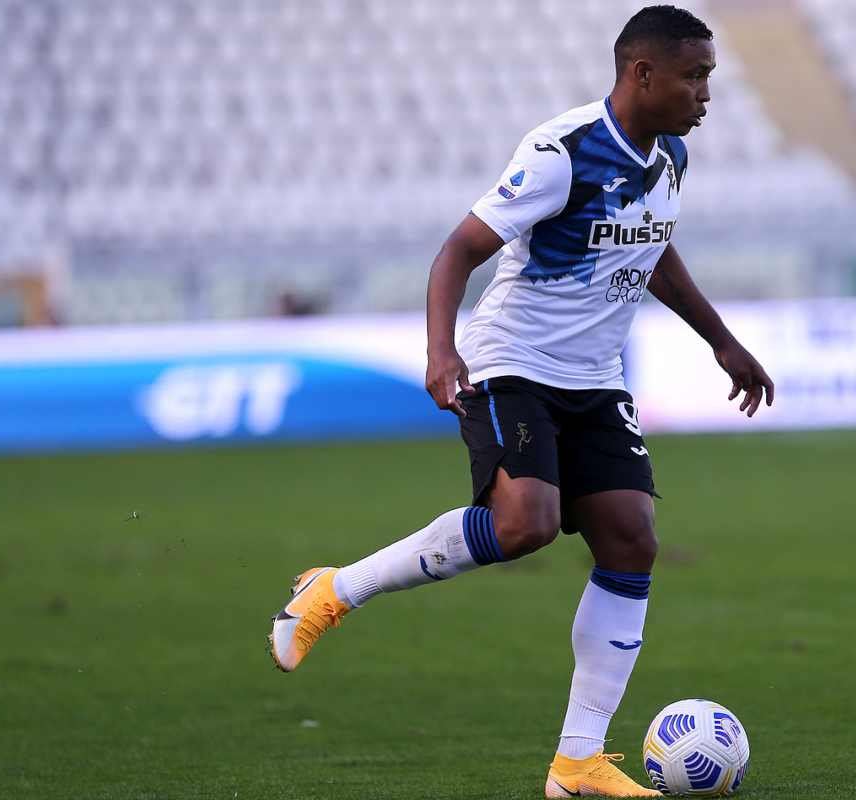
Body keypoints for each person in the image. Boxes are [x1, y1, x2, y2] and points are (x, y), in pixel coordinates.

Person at [268, 5, 773, 796]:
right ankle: (335, 590)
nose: (707, 94)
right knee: (526, 523)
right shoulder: (561, 152)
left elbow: (653, 248)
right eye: (695, 76)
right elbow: (458, 251)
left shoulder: (671, 156)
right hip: (513, 363)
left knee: (631, 539)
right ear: (643, 73)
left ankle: (577, 763)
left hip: (595, 376)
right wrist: (442, 351)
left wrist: (721, 339)